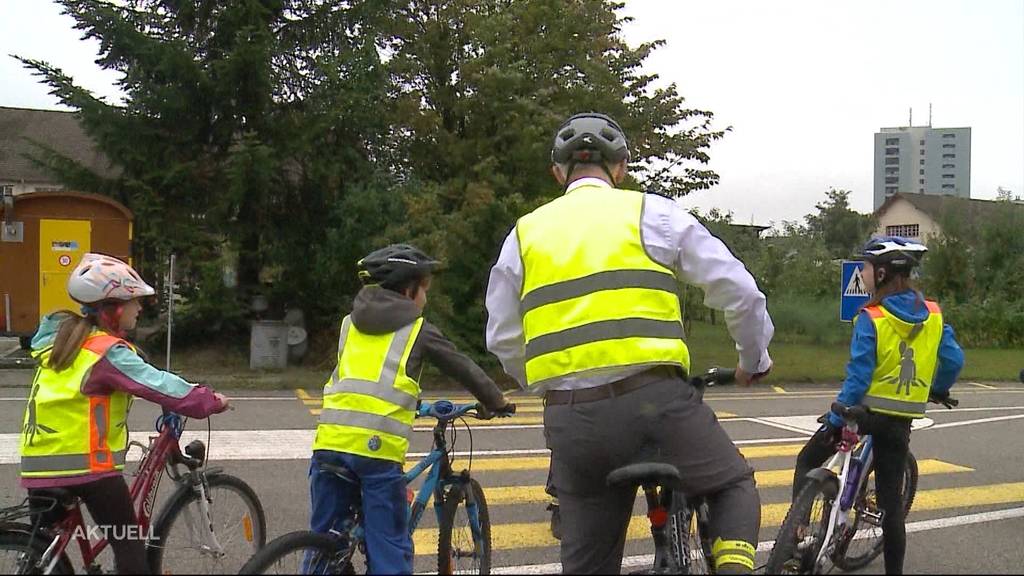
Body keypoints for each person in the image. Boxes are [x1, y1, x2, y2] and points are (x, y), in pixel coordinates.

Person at [485, 112, 775, 574]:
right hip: (658, 403)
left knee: (587, 561)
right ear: (619, 168)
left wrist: (551, 382)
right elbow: (739, 291)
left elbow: (502, 338)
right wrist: (752, 359)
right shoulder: (652, 213)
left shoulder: (524, 235)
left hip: (573, 420)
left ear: (558, 172)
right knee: (732, 486)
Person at [310, 244, 515, 575]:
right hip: (375, 454)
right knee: (390, 550)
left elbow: (366, 380)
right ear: (409, 290)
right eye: (425, 290)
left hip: (328, 445)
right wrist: (497, 401)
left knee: (324, 542)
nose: (426, 299)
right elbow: (463, 367)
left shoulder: (349, 323)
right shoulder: (417, 330)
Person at [19, 253, 229, 575]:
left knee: (43, 552)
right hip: (85, 466)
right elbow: (156, 383)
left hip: (38, 464)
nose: (140, 308)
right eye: (134, 301)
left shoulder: (60, 343)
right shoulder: (106, 352)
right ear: (114, 307)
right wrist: (207, 399)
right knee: (128, 542)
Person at [790, 237, 964, 575]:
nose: (863, 273)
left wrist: (837, 413)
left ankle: (795, 537)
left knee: (807, 459)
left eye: (866, 267)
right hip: (898, 422)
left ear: (881, 273)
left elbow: (859, 376)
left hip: (862, 414)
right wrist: (938, 388)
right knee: (891, 507)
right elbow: (954, 359)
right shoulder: (933, 314)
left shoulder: (872, 316)